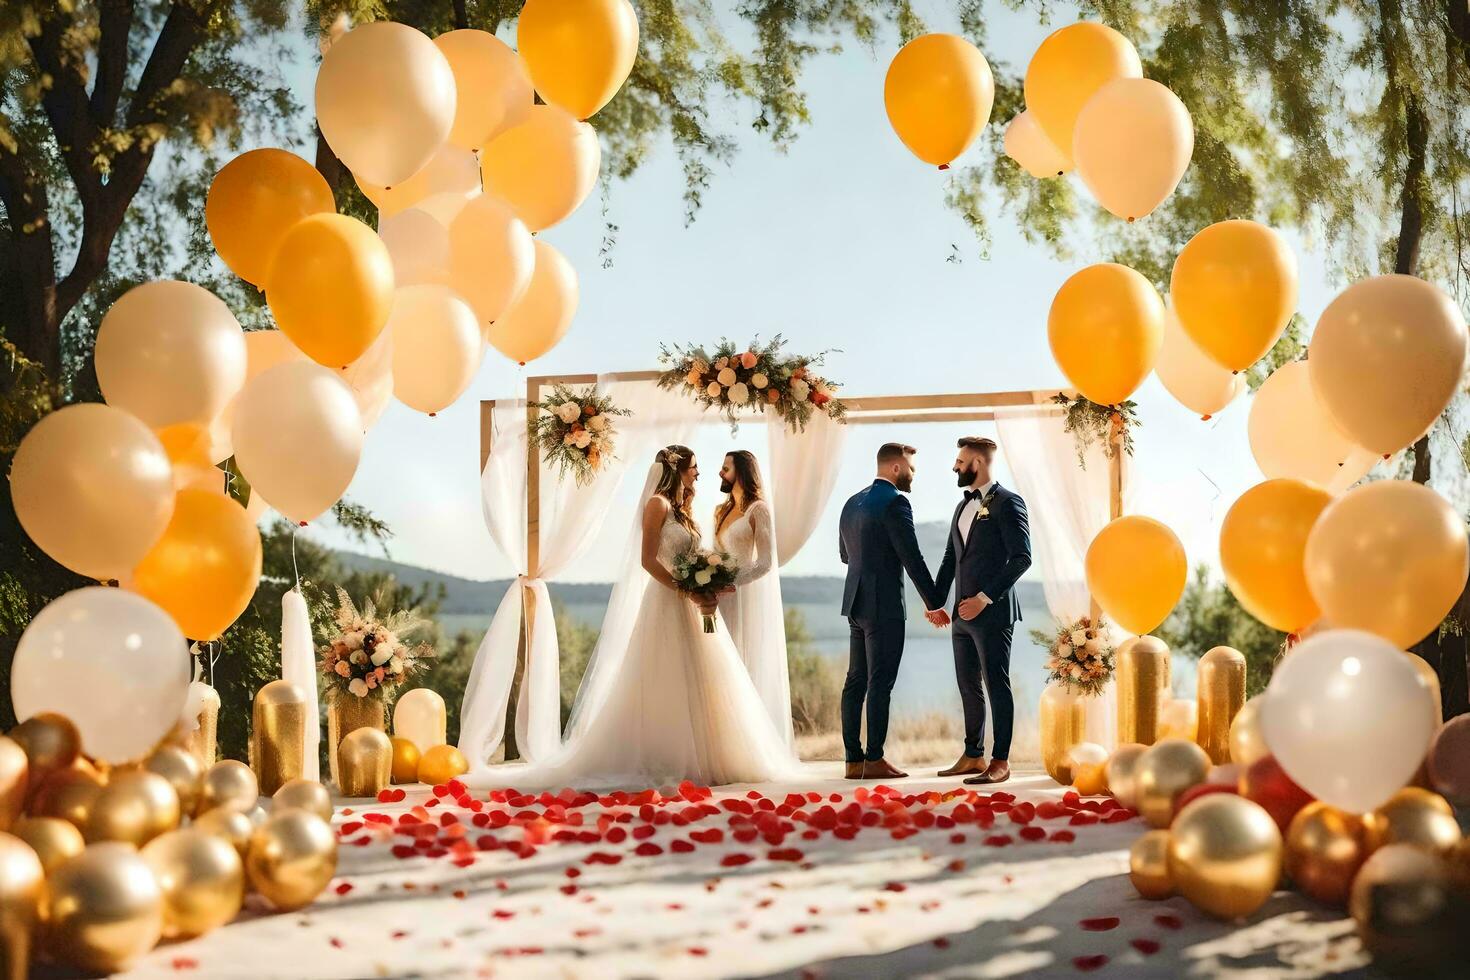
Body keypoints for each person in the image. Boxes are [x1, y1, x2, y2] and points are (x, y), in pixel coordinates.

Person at [468, 446, 800, 791]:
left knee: (704, 676)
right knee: (665, 673)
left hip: (687, 598)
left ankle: (710, 753)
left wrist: (701, 580)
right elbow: (647, 559)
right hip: (665, 600)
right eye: (695, 467)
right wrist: (684, 587)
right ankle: (670, 754)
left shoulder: (681, 509)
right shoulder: (657, 504)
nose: (699, 474)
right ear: (678, 470)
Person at [837, 443, 949, 780]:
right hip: (883, 605)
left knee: (855, 681)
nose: (914, 476)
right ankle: (875, 760)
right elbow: (912, 558)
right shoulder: (896, 502)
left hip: (855, 603)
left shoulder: (851, 503)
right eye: (912, 469)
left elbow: (845, 555)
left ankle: (852, 760)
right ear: (896, 468)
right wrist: (934, 603)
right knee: (880, 683)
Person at [933, 436, 1032, 785]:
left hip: (992, 613)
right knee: (968, 687)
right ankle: (973, 755)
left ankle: (1000, 760)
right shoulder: (961, 508)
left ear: (977, 462)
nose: (955, 467)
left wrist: (984, 598)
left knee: (996, 685)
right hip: (961, 617)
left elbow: (1022, 557)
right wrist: (936, 602)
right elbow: (951, 559)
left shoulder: (1008, 502)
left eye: (960, 462)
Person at [713, 451, 793, 747]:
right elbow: (717, 553)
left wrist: (730, 581)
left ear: (742, 472)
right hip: (717, 598)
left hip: (741, 596)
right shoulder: (721, 510)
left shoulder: (758, 510)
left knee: (741, 662)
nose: (720, 473)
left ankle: (747, 743)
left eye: (725, 468)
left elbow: (765, 562)